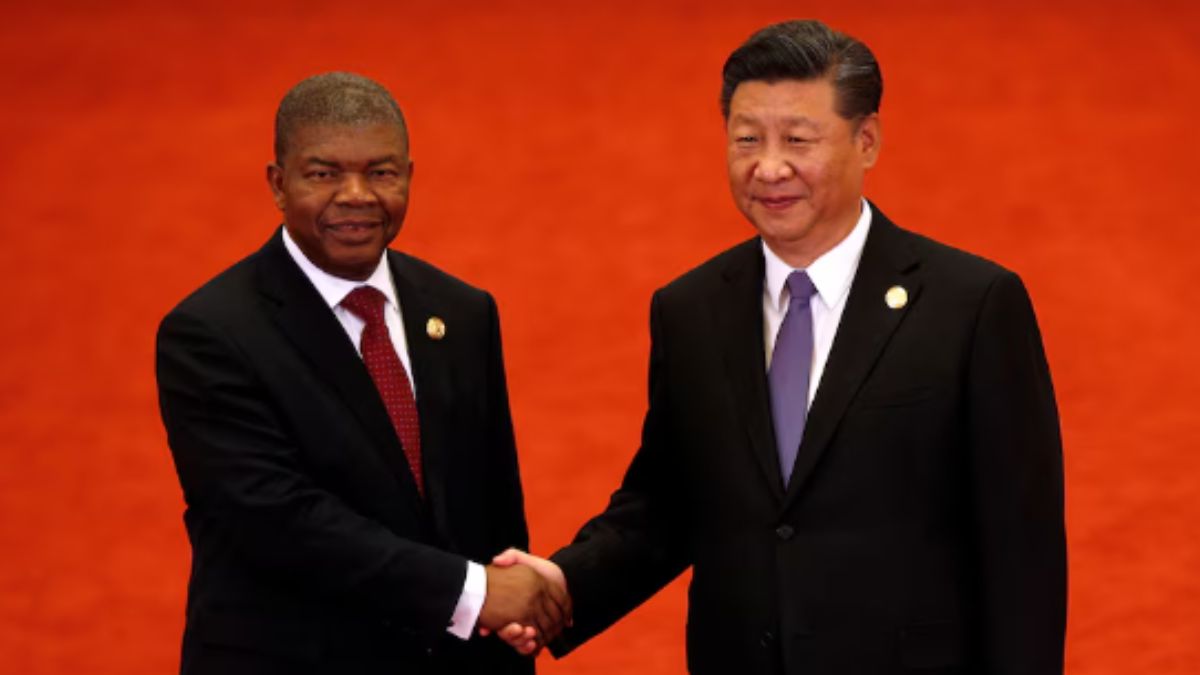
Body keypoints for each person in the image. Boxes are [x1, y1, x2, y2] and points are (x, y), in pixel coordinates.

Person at [494, 19, 1066, 674]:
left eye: (798, 139)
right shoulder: (691, 309)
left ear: (868, 140)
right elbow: (667, 504)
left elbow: (1022, 550)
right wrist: (564, 585)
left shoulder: (973, 305)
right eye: (746, 140)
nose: (768, 167)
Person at [155, 72, 567, 675]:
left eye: (381, 172)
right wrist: (472, 592)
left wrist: (510, 617)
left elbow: (492, 514)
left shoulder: (461, 310)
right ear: (277, 184)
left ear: (409, 176)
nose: (356, 195)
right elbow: (277, 520)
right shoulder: (211, 333)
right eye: (323, 174)